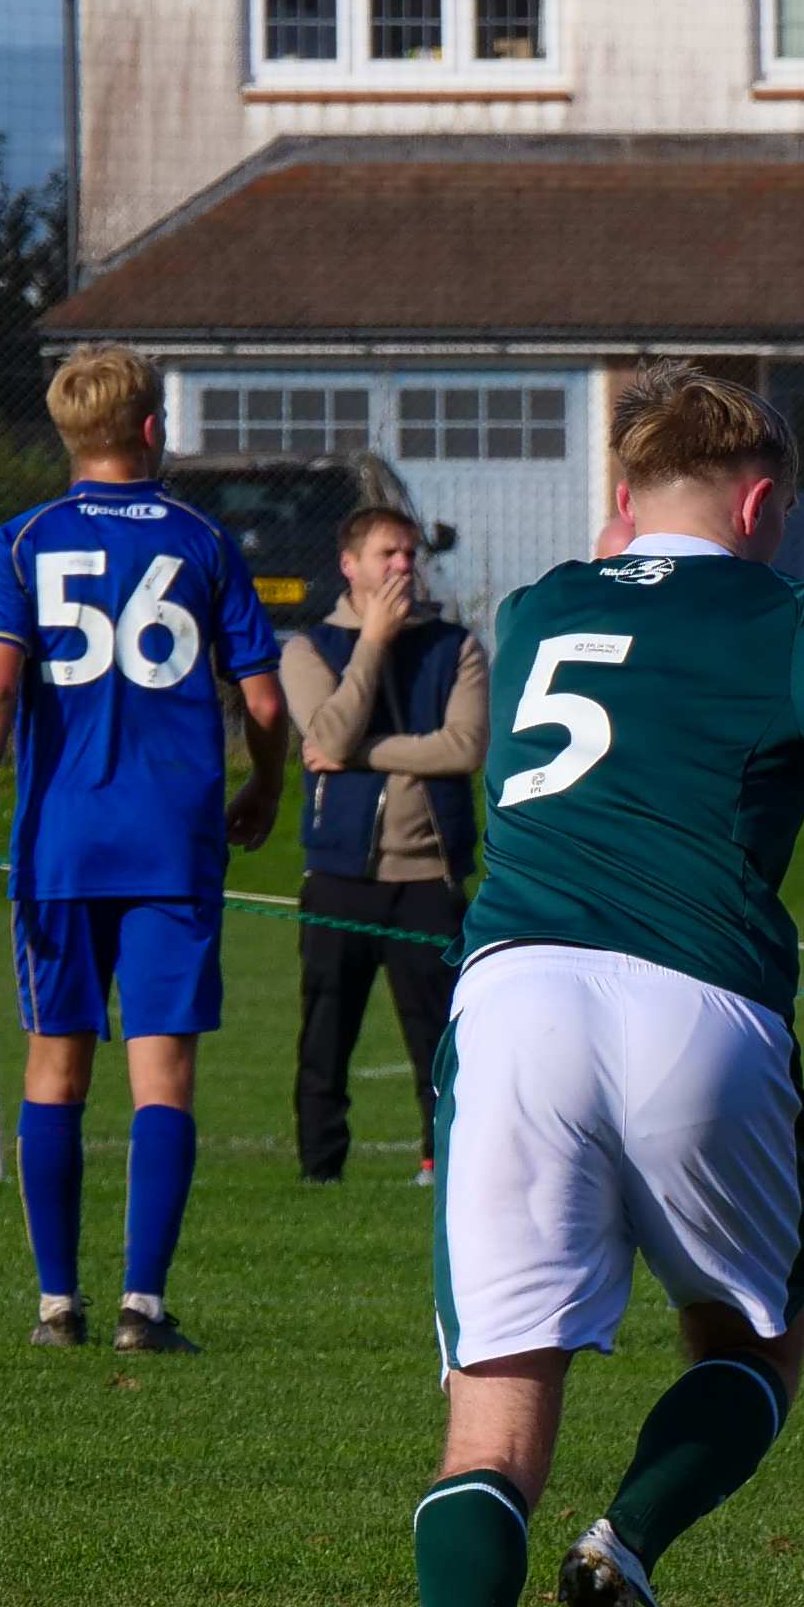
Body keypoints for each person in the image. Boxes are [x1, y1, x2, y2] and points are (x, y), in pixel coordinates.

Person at [386, 371, 804, 1607]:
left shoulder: (541, 607)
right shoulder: (797, 620)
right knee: (754, 1339)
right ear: (760, 505)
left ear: (626, 496)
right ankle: (629, 1537)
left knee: (492, 1417)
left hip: (516, 994)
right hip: (698, 997)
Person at [0, 344, 289, 1352]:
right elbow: (264, 699)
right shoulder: (205, 540)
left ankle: (59, 1304)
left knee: (56, 1063)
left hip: (62, 840)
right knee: (163, 1073)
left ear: (68, 435)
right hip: (174, 837)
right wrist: (263, 784)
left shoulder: (19, 541)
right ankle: (144, 1302)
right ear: (152, 428)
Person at [282, 505, 485, 1186]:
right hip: (339, 871)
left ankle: (441, 1160)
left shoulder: (454, 646)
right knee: (325, 1029)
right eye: (386, 555)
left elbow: (464, 747)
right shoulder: (310, 648)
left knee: (439, 1033)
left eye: (408, 553)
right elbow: (325, 736)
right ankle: (320, 1167)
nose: (403, 565)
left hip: (429, 875)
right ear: (350, 565)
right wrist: (371, 642)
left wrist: (361, 752)